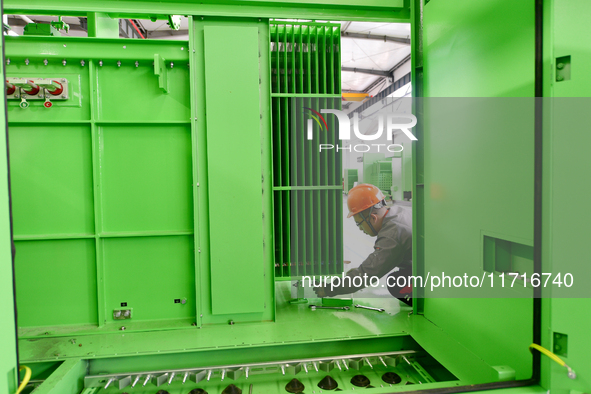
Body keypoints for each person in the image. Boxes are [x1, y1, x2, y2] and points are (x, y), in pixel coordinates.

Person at [314, 184, 413, 305]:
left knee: (396, 282)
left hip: (436, 275)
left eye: (359, 223)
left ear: (373, 218)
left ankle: (428, 303)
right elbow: (380, 261)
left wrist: (329, 289)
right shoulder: (398, 213)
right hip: (429, 266)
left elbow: (369, 273)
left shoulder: (392, 235)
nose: (360, 229)